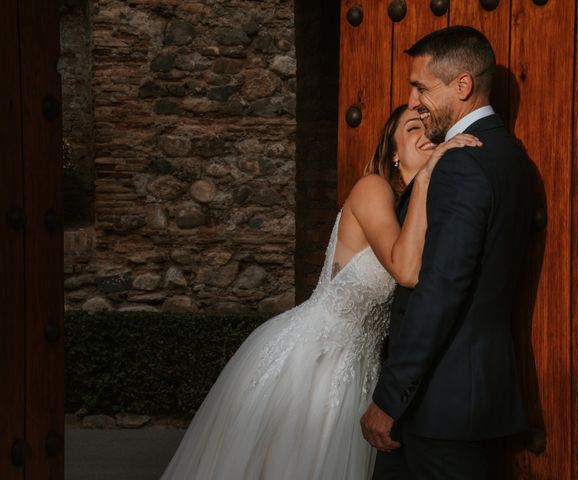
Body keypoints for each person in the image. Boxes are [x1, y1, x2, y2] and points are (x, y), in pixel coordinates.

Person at [159, 105, 481, 480]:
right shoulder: (372, 188)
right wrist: (426, 177)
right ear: (393, 153)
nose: (425, 134)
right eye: (412, 129)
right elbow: (406, 271)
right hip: (311, 359)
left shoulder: (418, 209)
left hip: (361, 368)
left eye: (429, 127)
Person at [360, 26, 535, 480]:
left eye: (421, 86)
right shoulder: (510, 155)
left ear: (462, 85)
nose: (414, 99)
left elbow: (439, 291)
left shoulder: (463, 162)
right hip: (463, 393)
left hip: (439, 401)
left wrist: (389, 398)